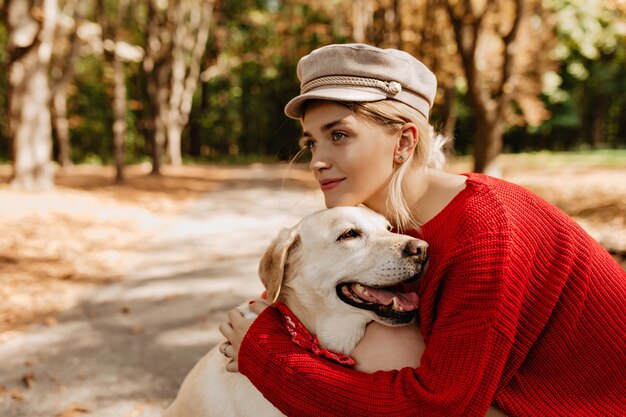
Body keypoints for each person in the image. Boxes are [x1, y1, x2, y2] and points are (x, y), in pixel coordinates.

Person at [218, 43, 626, 417]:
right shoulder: (391, 225)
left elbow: (437, 410)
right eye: (312, 143)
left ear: (404, 142)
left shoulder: (485, 232)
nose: (318, 160)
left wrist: (266, 356)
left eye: (339, 136)